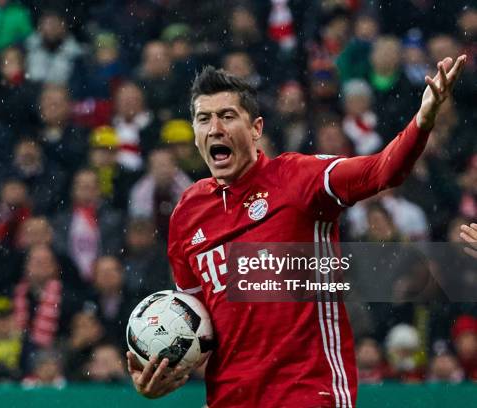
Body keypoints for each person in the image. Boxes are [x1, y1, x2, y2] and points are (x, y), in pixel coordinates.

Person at [126, 55, 466, 406]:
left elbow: (381, 171)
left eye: (227, 116)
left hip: (306, 393)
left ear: (256, 129)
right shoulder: (187, 213)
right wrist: (164, 371)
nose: (215, 128)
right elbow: (194, 320)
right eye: (203, 119)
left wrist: (422, 120)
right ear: (196, 134)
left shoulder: (299, 179)